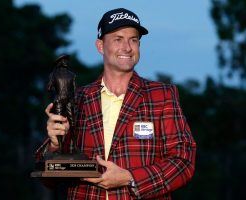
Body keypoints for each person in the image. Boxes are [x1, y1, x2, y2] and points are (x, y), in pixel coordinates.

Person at [36, 8, 196, 200]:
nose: (127, 47)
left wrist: (130, 178)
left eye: (134, 40)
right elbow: (47, 177)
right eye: (118, 39)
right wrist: (54, 145)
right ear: (100, 46)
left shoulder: (162, 96)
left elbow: (183, 162)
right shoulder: (77, 99)